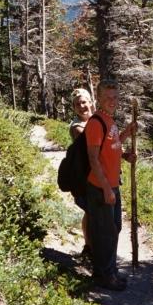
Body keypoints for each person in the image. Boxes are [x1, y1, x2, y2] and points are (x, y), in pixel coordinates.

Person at [85, 79, 135, 291]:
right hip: (101, 186)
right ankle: (105, 276)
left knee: (114, 228)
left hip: (112, 184)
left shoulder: (109, 120)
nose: (112, 101)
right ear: (99, 98)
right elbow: (93, 159)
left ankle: (108, 271)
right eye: (107, 97)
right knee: (106, 232)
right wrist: (106, 188)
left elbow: (112, 146)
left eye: (115, 97)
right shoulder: (96, 123)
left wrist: (125, 147)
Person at [69, 88, 94, 256]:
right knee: (91, 211)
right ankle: (89, 247)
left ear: (90, 102)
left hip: (100, 172)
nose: (81, 106)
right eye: (77, 104)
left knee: (94, 212)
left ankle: (91, 246)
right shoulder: (77, 127)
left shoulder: (97, 120)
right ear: (74, 108)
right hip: (86, 175)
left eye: (84, 102)